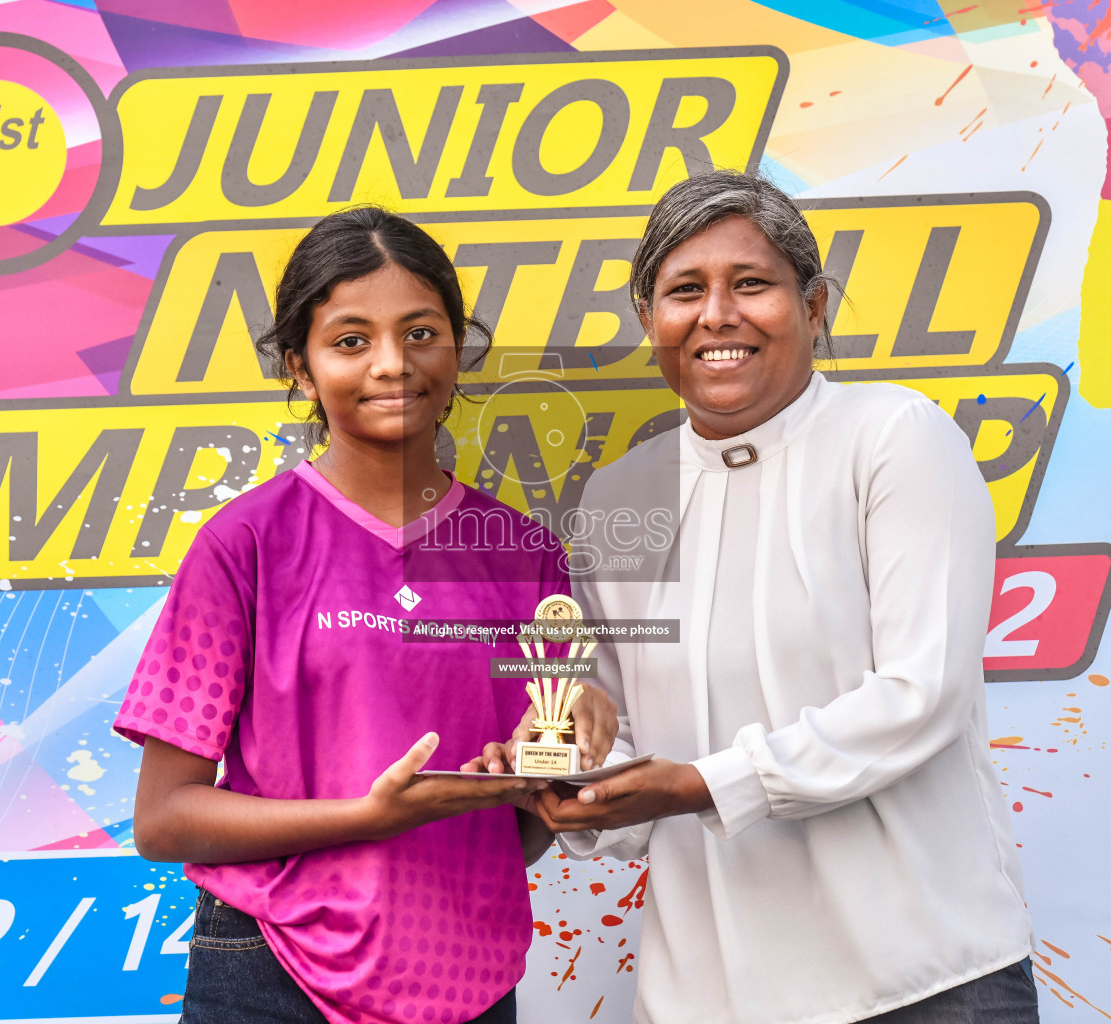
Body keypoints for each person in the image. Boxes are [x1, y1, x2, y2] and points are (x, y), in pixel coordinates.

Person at [529, 172, 1039, 1023]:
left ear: (815, 307)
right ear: (650, 322)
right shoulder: (622, 495)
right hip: (710, 996)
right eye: (683, 291)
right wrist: (566, 778)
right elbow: (623, 739)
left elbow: (921, 697)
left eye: (751, 284)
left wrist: (698, 782)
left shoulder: (892, 437)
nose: (717, 315)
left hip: (923, 981)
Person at [112, 207, 616, 1024]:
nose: (392, 364)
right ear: (300, 368)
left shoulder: (525, 556)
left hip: (470, 980)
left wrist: (552, 771)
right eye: (351, 340)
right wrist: (368, 818)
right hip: (272, 971)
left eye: (421, 333)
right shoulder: (241, 545)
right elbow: (164, 820)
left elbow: (531, 813)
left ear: (458, 350)